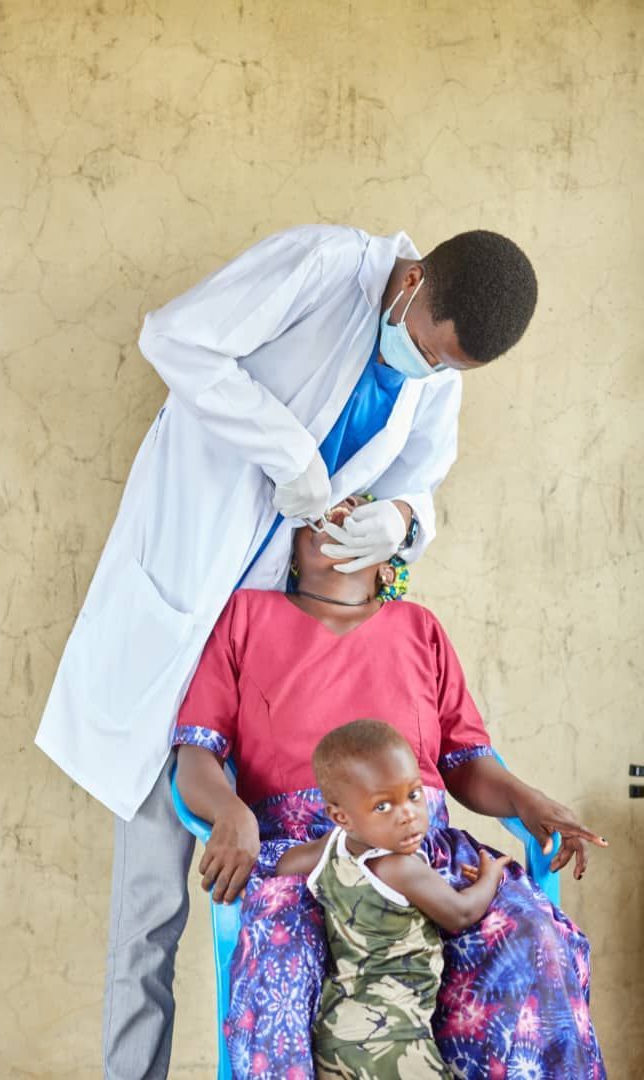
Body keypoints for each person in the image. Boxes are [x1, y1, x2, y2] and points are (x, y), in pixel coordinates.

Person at [34, 223, 538, 1078]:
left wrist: (405, 521)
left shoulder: (438, 365)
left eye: (449, 368)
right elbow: (175, 338)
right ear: (411, 282)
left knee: (302, 913)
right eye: (425, 350)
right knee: (152, 912)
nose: (430, 372)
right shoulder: (323, 267)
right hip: (186, 625)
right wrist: (291, 454)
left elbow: (422, 479)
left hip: (281, 652)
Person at [174, 499, 608, 1079]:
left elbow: (468, 762)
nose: (341, 512)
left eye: (359, 505)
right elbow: (197, 756)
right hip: (304, 860)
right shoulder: (245, 618)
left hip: (422, 850)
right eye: (323, 510)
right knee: (280, 970)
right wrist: (232, 813)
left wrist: (528, 799)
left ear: (387, 562)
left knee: (532, 937)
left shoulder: (419, 628)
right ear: (293, 546)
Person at [277, 720, 512, 1080]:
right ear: (341, 816)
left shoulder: (328, 851)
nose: (408, 815)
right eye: (383, 806)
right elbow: (461, 913)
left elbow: (284, 866)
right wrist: (490, 877)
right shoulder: (402, 868)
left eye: (414, 795)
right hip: (395, 1036)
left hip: (334, 1032)